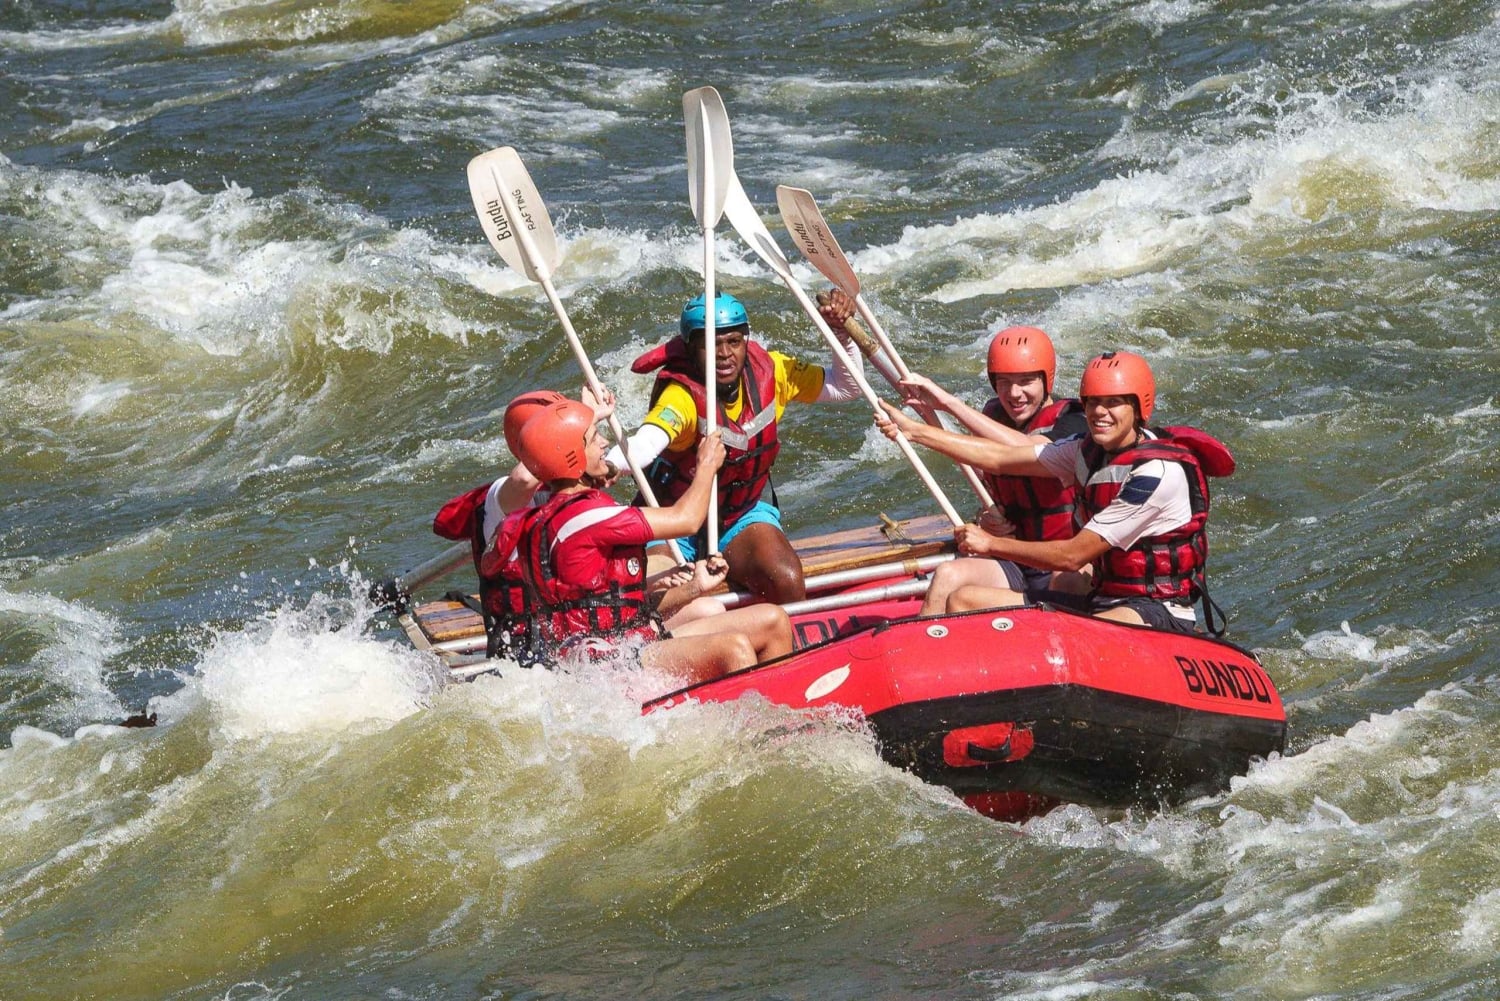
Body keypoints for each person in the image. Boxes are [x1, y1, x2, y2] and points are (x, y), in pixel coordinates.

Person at [876, 350, 1234, 634]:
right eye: (1093, 402)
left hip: (1156, 609)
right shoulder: (1084, 449)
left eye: (1113, 403)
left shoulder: (1157, 473)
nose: (1099, 413)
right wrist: (913, 432)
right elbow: (1002, 457)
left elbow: (1073, 556)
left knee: (1090, 635)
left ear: (1140, 407)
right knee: (965, 599)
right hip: (1102, 597)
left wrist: (990, 544)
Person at [607, 290, 866, 604]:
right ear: (691, 350)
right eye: (712, 345)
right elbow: (645, 445)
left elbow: (846, 386)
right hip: (672, 519)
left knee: (785, 579)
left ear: (746, 340)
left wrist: (840, 331)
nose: (725, 354)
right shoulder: (681, 396)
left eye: (733, 341)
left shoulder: (775, 371)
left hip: (741, 514)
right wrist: (608, 465)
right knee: (657, 595)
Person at [511, 398, 794, 686]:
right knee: (734, 650)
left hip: (627, 638)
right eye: (594, 439)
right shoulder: (590, 517)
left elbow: (603, 601)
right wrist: (707, 465)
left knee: (774, 620)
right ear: (572, 456)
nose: (604, 443)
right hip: (610, 662)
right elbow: (687, 519)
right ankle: (753, 726)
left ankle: (785, 712)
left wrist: (693, 587)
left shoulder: (553, 514)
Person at [894, 326, 1091, 615]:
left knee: (1071, 580)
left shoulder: (1074, 421)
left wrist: (949, 403)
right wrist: (986, 520)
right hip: (1015, 557)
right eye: (1003, 383)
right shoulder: (994, 416)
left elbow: (1026, 452)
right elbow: (987, 480)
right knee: (948, 575)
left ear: (1046, 380)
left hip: (1063, 561)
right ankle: (920, 654)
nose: (1014, 394)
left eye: (1026, 381)